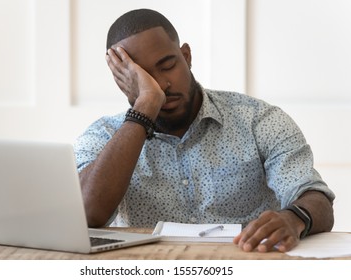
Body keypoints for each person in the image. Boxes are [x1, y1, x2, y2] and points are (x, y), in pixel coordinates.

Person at [74, 8, 335, 253]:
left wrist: (293, 218)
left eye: (168, 66)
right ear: (123, 80)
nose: (162, 85)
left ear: (186, 56)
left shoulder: (258, 120)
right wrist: (145, 107)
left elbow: (316, 199)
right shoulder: (103, 137)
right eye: (143, 77)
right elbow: (86, 213)